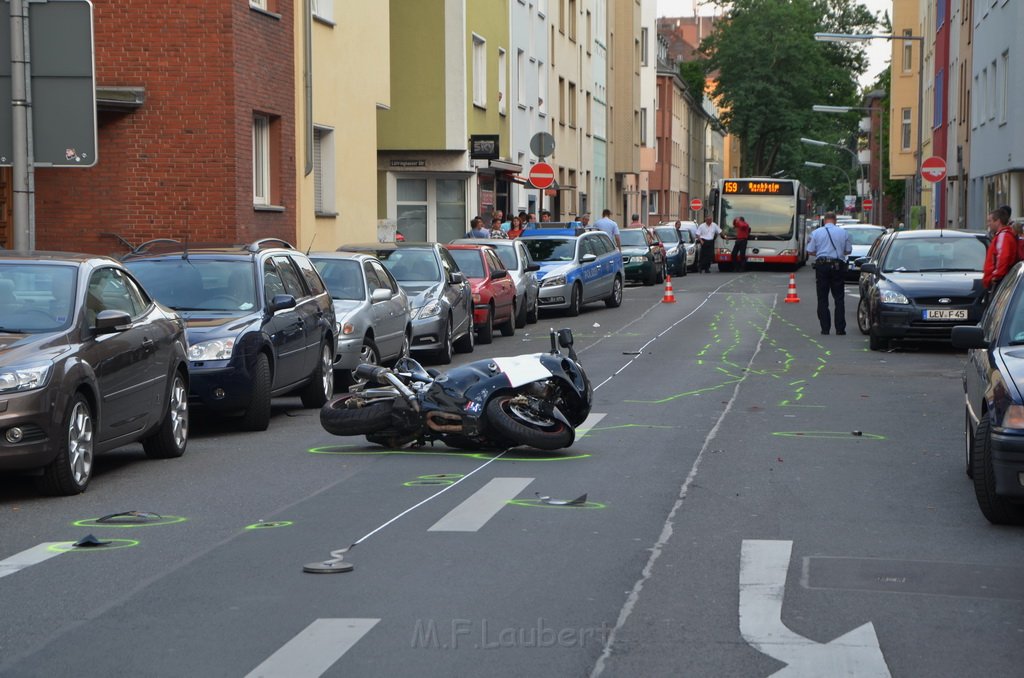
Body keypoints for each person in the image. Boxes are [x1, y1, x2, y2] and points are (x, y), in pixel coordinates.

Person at [806, 211, 853, 335]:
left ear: (824, 220)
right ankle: (840, 328)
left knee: (822, 298)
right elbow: (848, 251)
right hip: (838, 266)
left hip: (822, 266)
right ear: (835, 220)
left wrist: (821, 253)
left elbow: (810, 251)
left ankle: (825, 328)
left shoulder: (816, 233)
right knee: (839, 298)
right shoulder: (843, 233)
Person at [982, 207, 1018, 297]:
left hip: (998, 281)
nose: (988, 224)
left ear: (998, 221)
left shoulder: (1003, 236)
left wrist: (995, 276)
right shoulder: (1005, 235)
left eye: (990, 221)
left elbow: (1003, 257)